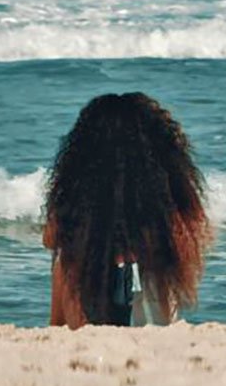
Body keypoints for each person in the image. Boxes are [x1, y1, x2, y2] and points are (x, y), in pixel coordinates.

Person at [43, 93, 212, 328]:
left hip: (89, 312)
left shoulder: (80, 201)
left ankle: (59, 331)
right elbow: (192, 244)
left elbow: (49, 238)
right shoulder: (162, 200)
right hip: (149, 312)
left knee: (66, 258)